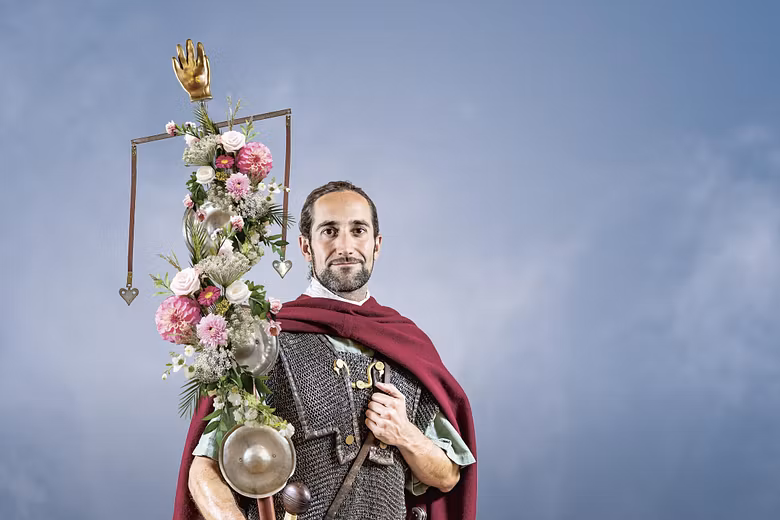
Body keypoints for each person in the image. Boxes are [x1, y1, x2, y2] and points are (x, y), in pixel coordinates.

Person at [173, 181, 477, 520]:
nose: (345, 246)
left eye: (358, 230)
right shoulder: (266, 341)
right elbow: (205, 470)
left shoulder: (405, 346)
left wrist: (405, 434)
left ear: (376, 244)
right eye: (329, 231)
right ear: (306, 246)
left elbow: (448, 476)